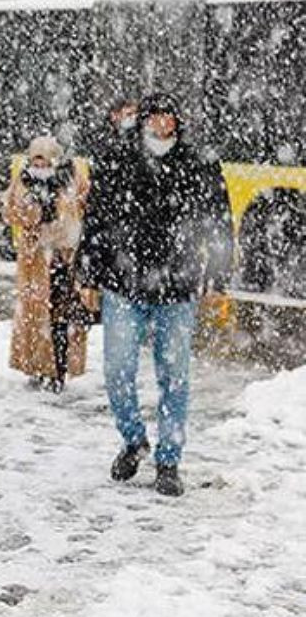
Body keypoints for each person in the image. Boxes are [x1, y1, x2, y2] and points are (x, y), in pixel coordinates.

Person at [79, 93, 234, 497]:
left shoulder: (198, 162)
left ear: (177, 121)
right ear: (143, 121)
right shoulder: (118, 159)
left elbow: (219, 221)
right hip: (124, 284)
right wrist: (88, 274)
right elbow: (96, 217)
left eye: (169, 116)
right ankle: (133, 440)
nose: (162, 123)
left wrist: (218, 279)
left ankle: (169, 460)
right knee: (117, 370)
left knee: (174, 376)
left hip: (178, 287)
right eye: (154, 116)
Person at [4, 136, 92, 393]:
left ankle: (59, 370)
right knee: (35, 317)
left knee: (61, 316)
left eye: (45, 160)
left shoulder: (71, 177)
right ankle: (38, 366)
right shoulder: (24, 180)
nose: (40, 166)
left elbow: (86, 203)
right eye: (36, 160)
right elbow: (10, 210)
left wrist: (64, 210)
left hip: (65, 256)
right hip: (35, 260)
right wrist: (30, 213)